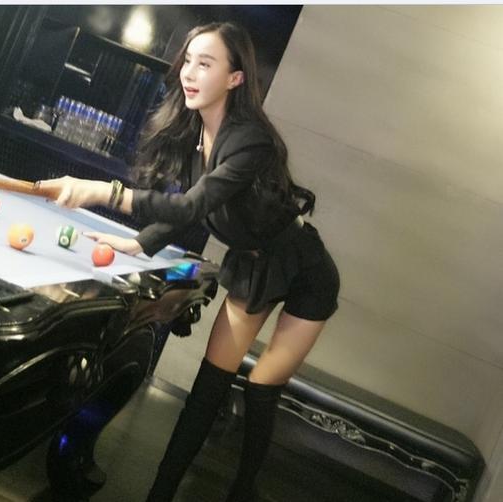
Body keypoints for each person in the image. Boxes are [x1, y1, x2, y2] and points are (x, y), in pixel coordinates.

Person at [38, 21, 340, 502]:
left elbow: (192, 206)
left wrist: (105, 192)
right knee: (209, 385)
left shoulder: (251, 139)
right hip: (253, 266)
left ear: (235, 78)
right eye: (188, 61)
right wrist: (140, 244)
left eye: (206, 63)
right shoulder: (199, 133)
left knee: (260, 387)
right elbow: (193, 207)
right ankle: (160, 493)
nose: (189, 72)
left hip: (305, 269)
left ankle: (244, 491)